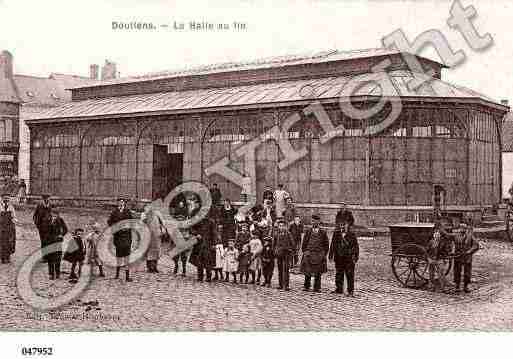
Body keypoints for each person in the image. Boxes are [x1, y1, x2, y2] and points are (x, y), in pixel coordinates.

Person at [107, 197, 135, 282]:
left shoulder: (127, 212)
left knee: (127, 257)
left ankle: (127, 276)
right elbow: (109, 222)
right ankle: (117, 274)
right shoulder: (114, 212)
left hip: (126, 236)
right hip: (118, 237)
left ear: (124, 203)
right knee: (118, 256)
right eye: (119, 202)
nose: (121, 203)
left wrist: (127, 227)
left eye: (122, 202)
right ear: (117, 203)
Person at [329, 221, 359, 296]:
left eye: (344, 225)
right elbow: (333, 245)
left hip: (348, 258)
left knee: (349, 274)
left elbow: (356, 247)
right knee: (339, 273)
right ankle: (339, 288)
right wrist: (331, 255)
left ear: (347, 225)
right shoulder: (336, 234)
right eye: (341, 225)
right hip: (339, 257)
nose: (342, 227)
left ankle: (350, 290)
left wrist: (355, 257)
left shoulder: (352, 235)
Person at [301, 214, 330, 292]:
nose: (313, 223)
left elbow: (326, 245)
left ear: (318, 222)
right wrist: (305, 252)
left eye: (315, 221)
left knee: (318, 271)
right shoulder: (308, 231)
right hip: (309, 253)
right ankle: (306, 286)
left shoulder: (323, 232)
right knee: (307, 271)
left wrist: (323, 254)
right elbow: (304, 243)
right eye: (312, 221)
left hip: (318, 254)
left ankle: (317, 287)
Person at [453, 222, 479, 293]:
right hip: (458, 256)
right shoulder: (455, 236)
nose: (462, 230)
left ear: (466, 229)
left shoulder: (470, 236)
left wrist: (469, 251)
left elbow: (476, 245)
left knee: (467, 272)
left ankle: (466, 286)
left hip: (467, 257)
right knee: (457, 271)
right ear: (459, 229)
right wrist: (452, 251)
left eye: (464, 228)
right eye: (461, 228)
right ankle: (457, 286)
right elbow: (451, 244)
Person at [189, 217, 216, 282]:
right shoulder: (197, 221)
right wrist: (196, 234)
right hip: (199, 244)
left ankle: (208, 277)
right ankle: (200, 276)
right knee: (199, 261)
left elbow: (214, 233)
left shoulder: (211, 221)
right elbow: (191, 229)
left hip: (208, 244)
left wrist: (214, 244)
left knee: (208, 261)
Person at [44, 209, 68, 280]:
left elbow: (65, 229)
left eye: (56, 215)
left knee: (57, 258)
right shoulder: (47, 220)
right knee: (50, 258)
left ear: (58, 215)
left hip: (57, 242)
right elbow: (44, 230)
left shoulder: (60, 220)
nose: (54, 217)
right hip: (49, 242)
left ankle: (57, 273)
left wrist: (61, 235)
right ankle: (51, 274)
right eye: (53, 215)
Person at [141, 205, 164, 274]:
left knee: (156, 251)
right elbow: (142, 223)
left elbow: (162, 222)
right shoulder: (144, 214)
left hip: (157, 235)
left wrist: (162, 229)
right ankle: (149, 267)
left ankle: (155, 267)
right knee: (148, 251)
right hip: (148, 234)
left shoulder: (158, 213)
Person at [273, 219, 294, 290]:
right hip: (279, 254)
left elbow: (292, 244)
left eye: (283, 226)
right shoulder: (276, 234)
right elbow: (274, 244)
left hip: (286, 254)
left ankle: (286, 285)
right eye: (280, 226)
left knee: (286, 269)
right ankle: (280, 284)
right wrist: (275, 251)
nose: (281, 227)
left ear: (285, 226)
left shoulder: (288, 234)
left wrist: (289, 250)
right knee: (280, 269)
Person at [427, 222, 447, 292]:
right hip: (432, 259)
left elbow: (445, 252)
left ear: (439, 236)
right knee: (431, 273)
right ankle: (431, 286)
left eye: (438, 234)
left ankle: (442, 288)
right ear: (433, 235)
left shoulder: (442, 243)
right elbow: (427, 251)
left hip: (439, 259)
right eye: (435, 234)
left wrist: (444, 260)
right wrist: (428, 258)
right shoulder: (431, 242)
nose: (436, 235)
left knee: (441, 273)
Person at [0, 194, 16, 263]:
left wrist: (14, 221)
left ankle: (8, 256)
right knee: (2, 242)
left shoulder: (11, 207)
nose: (6, 200)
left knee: (9, 242)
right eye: (5, 198)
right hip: (1, 227)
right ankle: (3, 258)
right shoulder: (0, 206)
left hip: (9, 227)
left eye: (8, 198)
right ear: (2, 198)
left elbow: (14, 217)